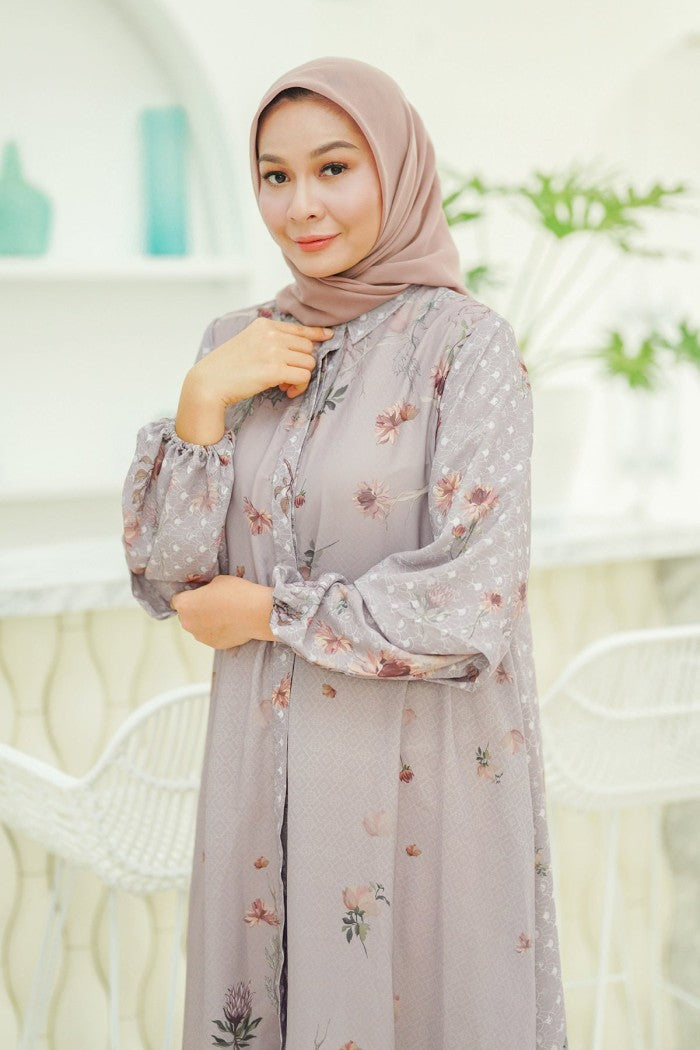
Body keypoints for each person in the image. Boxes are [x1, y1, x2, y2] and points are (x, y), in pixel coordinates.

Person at [121, 56, 568, 1050]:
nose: (301, 206)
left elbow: (470, 605)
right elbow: (171, 578)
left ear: (395, 170)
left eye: (333, 168)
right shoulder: (238, 342)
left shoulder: (466, 347)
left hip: (419, 779)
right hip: (261, 777)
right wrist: (202, 399)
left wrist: (269, 612)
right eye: (274, 177)